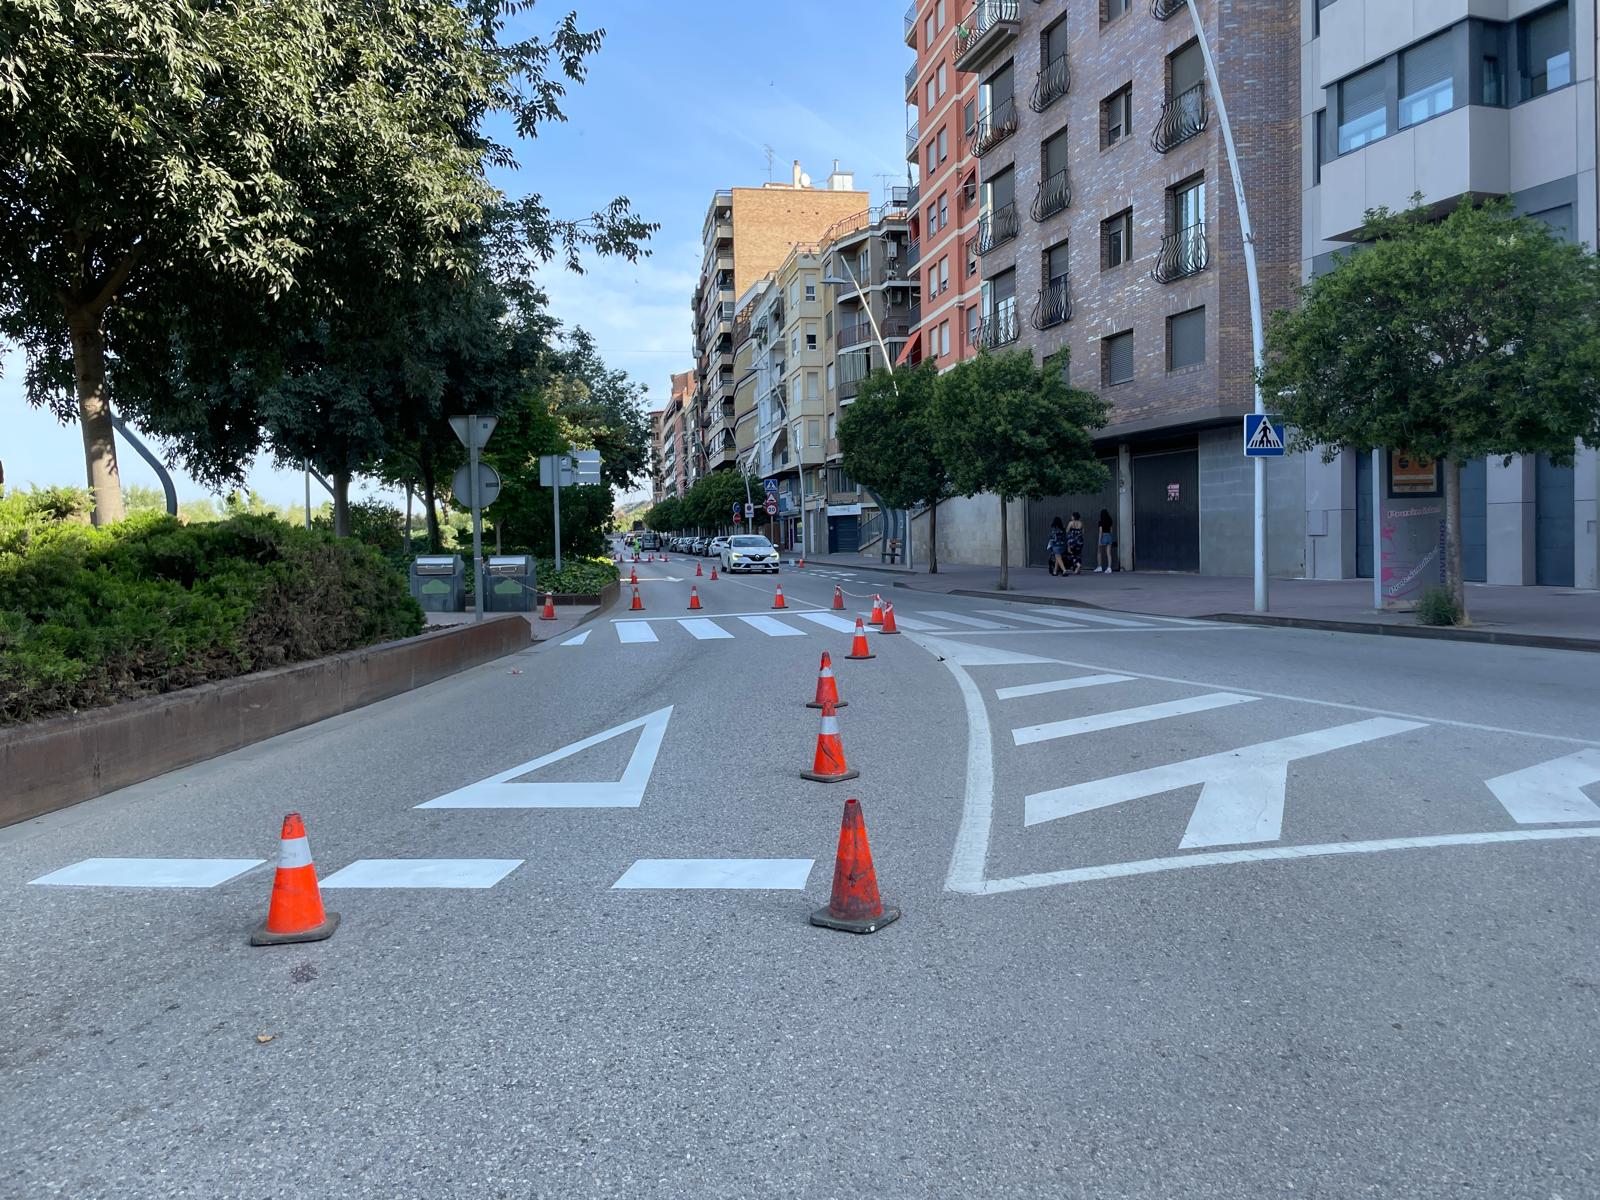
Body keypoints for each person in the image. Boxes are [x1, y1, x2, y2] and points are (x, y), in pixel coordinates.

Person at [1095, 508, 1115, 573]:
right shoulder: (1110, 521)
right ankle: (1109, 568)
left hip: (1103, 536)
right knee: (1108, 553)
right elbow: (1111, 531)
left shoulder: (1101, 522)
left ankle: (1099, 567)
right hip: (1109, 536)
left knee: (1099, 552)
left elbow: (1100, 532)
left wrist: (1099, 540)